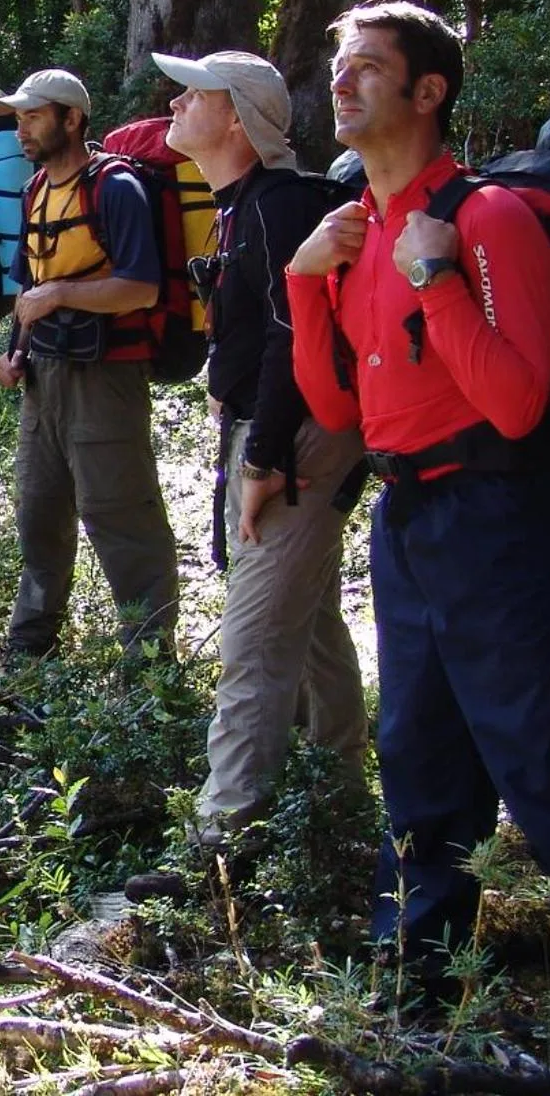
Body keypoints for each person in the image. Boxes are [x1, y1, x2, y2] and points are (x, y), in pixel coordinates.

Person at [285, 1, 550, 1019]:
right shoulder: (357, 230)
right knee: (419, 761)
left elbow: (514, 405)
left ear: (427, 92)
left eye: (367, 67)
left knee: (547, 762)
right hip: (406, 519)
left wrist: (434, 276)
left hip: (504, 518)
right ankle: (411, 994)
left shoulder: (485, 220)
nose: (341, 83)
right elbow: (338, 409)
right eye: (339, 66)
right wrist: (304, 285)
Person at [158, 49, 366, 848]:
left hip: (297, 436)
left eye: (196, 94)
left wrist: (263, 459)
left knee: (251, 641)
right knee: (306, 615)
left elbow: (293, 338)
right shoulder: (244, 205)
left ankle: (223, 831)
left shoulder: (277, 206)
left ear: (239, 121)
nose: (176, 103)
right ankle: (339, 791)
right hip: (280, 429)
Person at [0, 68, 179, 658]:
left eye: (33, 116)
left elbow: (142, 288)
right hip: (42, 377)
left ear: (71, 119)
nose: (22, 130)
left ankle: (151, 661)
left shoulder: (116, 187)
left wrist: (61, 295)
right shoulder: (35, 191)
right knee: (38, 512)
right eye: (18, 118)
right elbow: (30, 286)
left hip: (107, 376)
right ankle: (30, 647)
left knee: (120, 516)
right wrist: (15, 350)